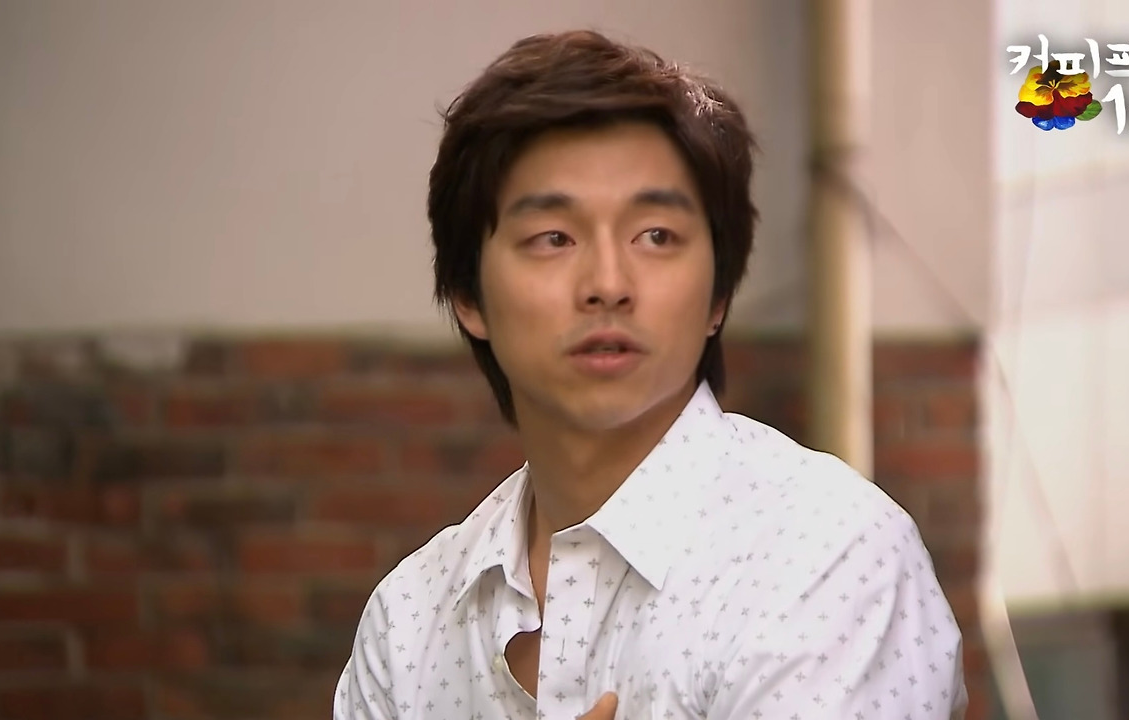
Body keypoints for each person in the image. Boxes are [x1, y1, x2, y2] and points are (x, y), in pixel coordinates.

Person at [334, 29, 968, 719]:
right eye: (553, 238)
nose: (608, 284)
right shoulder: (409, 621)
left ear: (718, 295)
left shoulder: (826, 552)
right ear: (468, 295)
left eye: (656, 236)